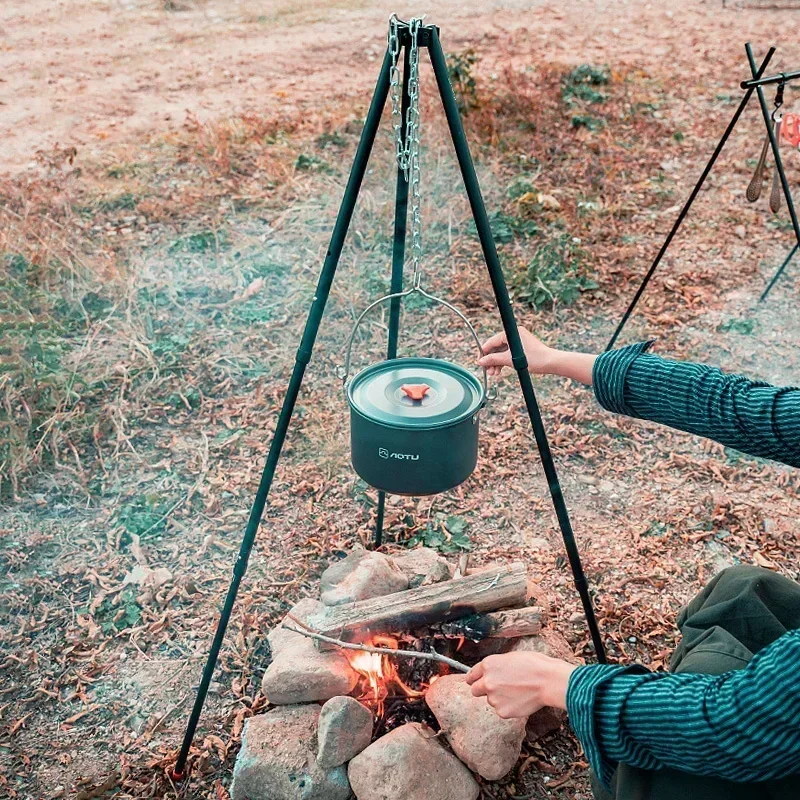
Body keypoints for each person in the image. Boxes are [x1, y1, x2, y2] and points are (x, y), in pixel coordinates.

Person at [466, 329, 800, 800]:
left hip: (751, 723)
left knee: (654, 767)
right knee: (742, 592)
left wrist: (560, 684)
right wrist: (557, 357)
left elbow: (734, 723)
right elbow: (741, 406)